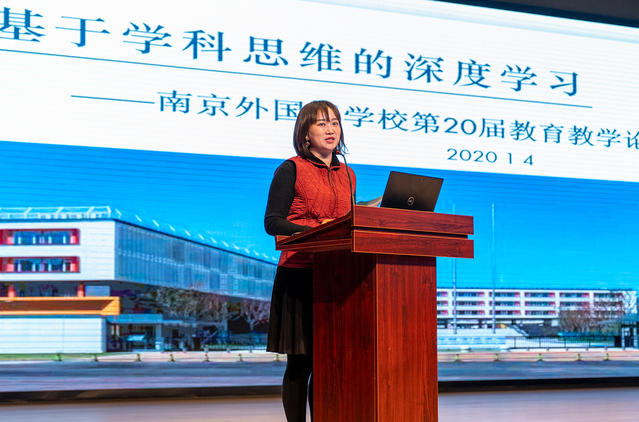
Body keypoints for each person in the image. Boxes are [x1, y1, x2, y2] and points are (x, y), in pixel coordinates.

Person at [264, 100, 355, 422]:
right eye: (321, 123)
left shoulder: (348, 173)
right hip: (299, 273)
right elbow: (273, 222)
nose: (330, 129)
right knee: (301, 363)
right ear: (305, 133)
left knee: (327, 363)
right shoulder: (291, 168)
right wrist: (317, 231)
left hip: (334, 276)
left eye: (335, 122)